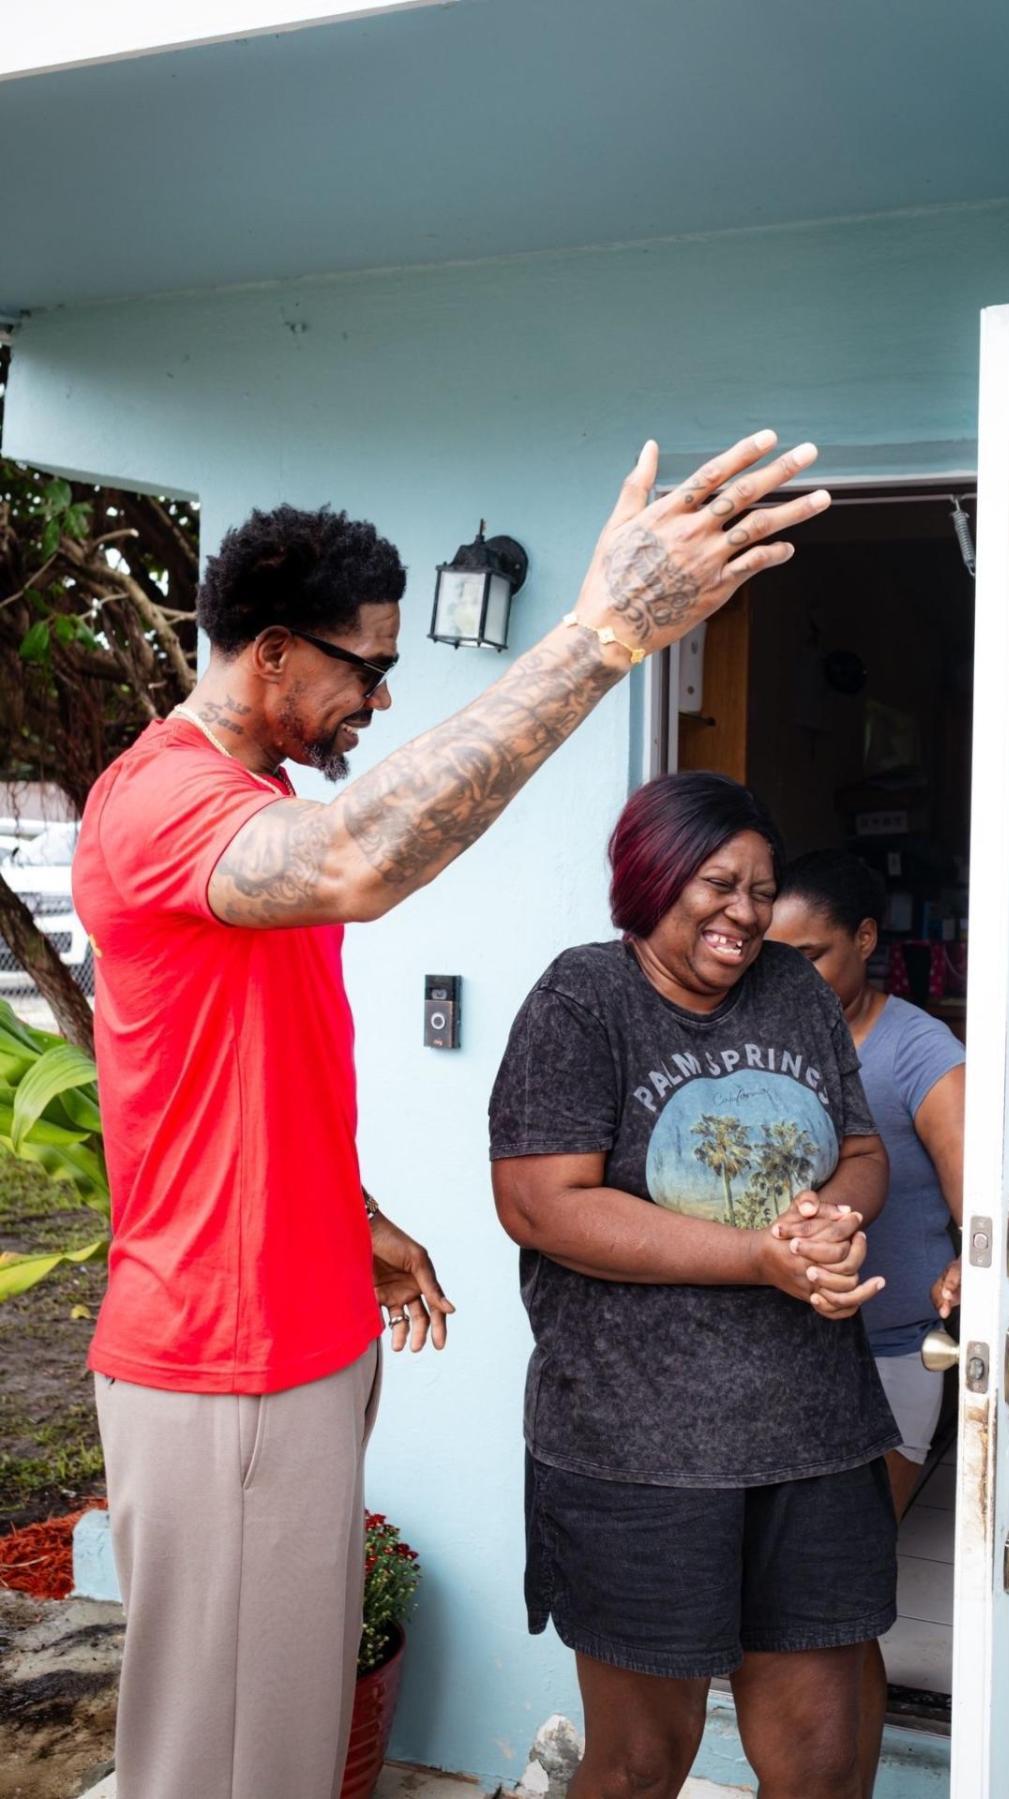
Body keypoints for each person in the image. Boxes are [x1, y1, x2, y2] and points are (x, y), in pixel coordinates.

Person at [72, 432, 832, 1799]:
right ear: (275, 654)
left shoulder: (244, 807)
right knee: (214, 1761)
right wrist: (603, 634)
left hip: (292, 1332)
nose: (381, 692)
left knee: (286, 1750)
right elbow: (365, 854)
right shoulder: (167, 804)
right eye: (368, 666)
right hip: (220, 1354)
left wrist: (345, 1212)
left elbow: (230, 1070)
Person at [489, 771, 901, 1799]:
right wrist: (761, 1254)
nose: (747, 912)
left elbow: (861, 1149)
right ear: (652, 876)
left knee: (821, 1759)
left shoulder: (796, 991)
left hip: (813, 1434)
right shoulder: (583, 999)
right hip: (638, 1453)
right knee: (638, 1765)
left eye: (763, 889)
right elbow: (543, 1203)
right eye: (719, 883)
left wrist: (832, 1220)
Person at [767, 849, 965, 1796]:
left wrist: (973, 1260)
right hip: (787, 1350)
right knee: (815, 1607)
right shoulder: (764, 1032)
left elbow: (980, 1201)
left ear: (866, 942)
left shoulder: (917, 1047)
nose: (790, 972)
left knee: (830, 1598)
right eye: (775, 952)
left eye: (811, 954)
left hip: (890, 1353)